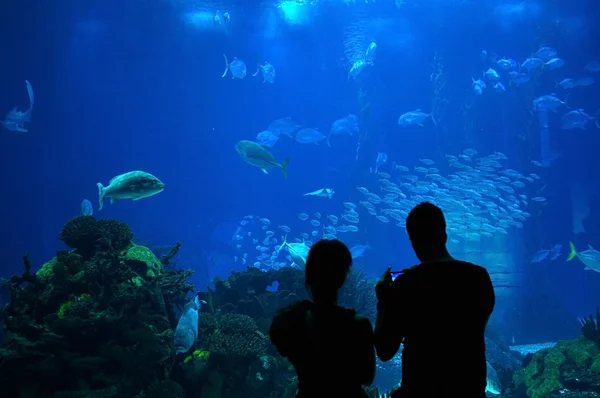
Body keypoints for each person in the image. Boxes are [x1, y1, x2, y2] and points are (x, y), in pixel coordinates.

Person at [374, 202, 495, 397]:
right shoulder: (479, 277)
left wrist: (384, 301)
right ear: (445, 235)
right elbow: (477, 327)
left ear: (413, 241)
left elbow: (384, 350)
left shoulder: (406, 284)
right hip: (468, 389)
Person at [269, 239, 376, 397]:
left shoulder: (290, 321)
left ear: (307, 275)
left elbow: (280, 342)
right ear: (343, 279)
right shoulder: (359, 324)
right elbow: (367, 378)